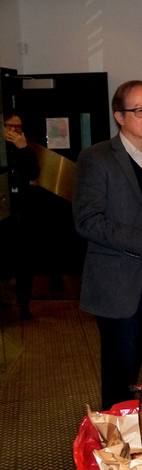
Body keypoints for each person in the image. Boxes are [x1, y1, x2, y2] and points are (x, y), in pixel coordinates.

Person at [73, 81, 142, 411]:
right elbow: (87, 220)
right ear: (119, 117)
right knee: (121, 377)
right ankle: (119, 451)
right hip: (120, 287)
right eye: (139, 110)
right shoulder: (96, 159)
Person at [3, 112, 40, 320]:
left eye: (19, 127)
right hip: (5, 212)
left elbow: (34, 174)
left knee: (26, 257)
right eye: (10, 126)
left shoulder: (25, 148)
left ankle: (24, 303)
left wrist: (23, 149)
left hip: (24, 211)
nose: (15, 131)